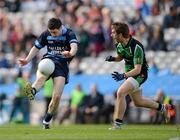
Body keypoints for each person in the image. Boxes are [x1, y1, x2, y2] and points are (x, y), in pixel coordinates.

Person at [105, 22, 173, 130]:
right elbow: (121, 56)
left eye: (113, 33)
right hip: (130, 75)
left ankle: (117, 124)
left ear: (120, 34)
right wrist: (113, 58)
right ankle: (162, 108)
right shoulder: (118, 44)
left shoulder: (137, 46)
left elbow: (137, 69)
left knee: (120, 92)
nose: (111, 35)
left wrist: (123, 75)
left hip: (140, 74)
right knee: (138, 102)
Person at [18, 17, 78, 129]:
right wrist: (27, 60)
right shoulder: (46, 34)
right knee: (40, 79)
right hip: (48, 61)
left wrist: (70, 53)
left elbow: (74, 47)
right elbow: (36, 48)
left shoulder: (69, 33)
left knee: (56, 97)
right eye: (51, 32)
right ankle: (32, 91)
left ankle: (47, 120)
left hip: (61, 66)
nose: (53, 34)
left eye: (55, 32)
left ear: (60, 28)